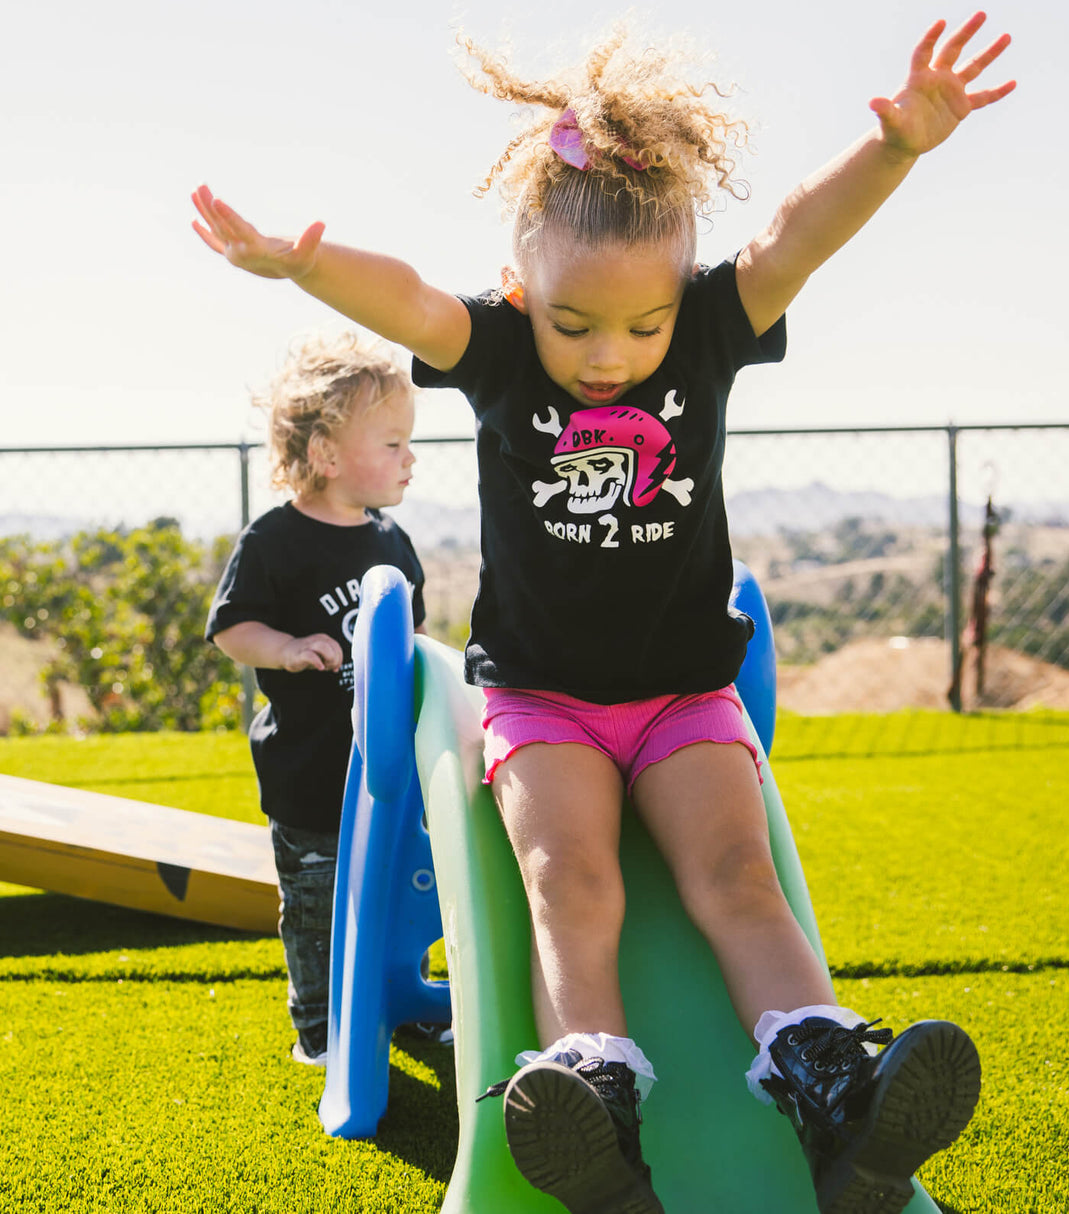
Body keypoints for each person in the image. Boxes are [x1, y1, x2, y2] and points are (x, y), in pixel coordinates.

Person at [192, 12, 1014, 1211]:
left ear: (683, 294)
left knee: (737, 871)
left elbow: (792, 236)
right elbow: (413, 297)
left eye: (644, 325)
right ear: (523, 292)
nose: (606, 355)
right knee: (567, 882)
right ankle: (596, 1108)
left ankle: (835, 1095)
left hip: (684, 691)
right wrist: (303, 264)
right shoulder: (497, 351)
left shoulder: (714, 329)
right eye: (571, 323)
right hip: (543, 701)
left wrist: (893, 149)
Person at [205, 333, 449, 1067]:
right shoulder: (275, 540)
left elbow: (413, 636)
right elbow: (231, 629)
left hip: (388, 774)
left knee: (400, 896)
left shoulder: (391, 540)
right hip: (309, 778)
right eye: (394, 442)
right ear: (327, 456)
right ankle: (319, 1025)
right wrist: (284, 649)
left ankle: (403, 1001)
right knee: (318, 911)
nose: (411, 458)